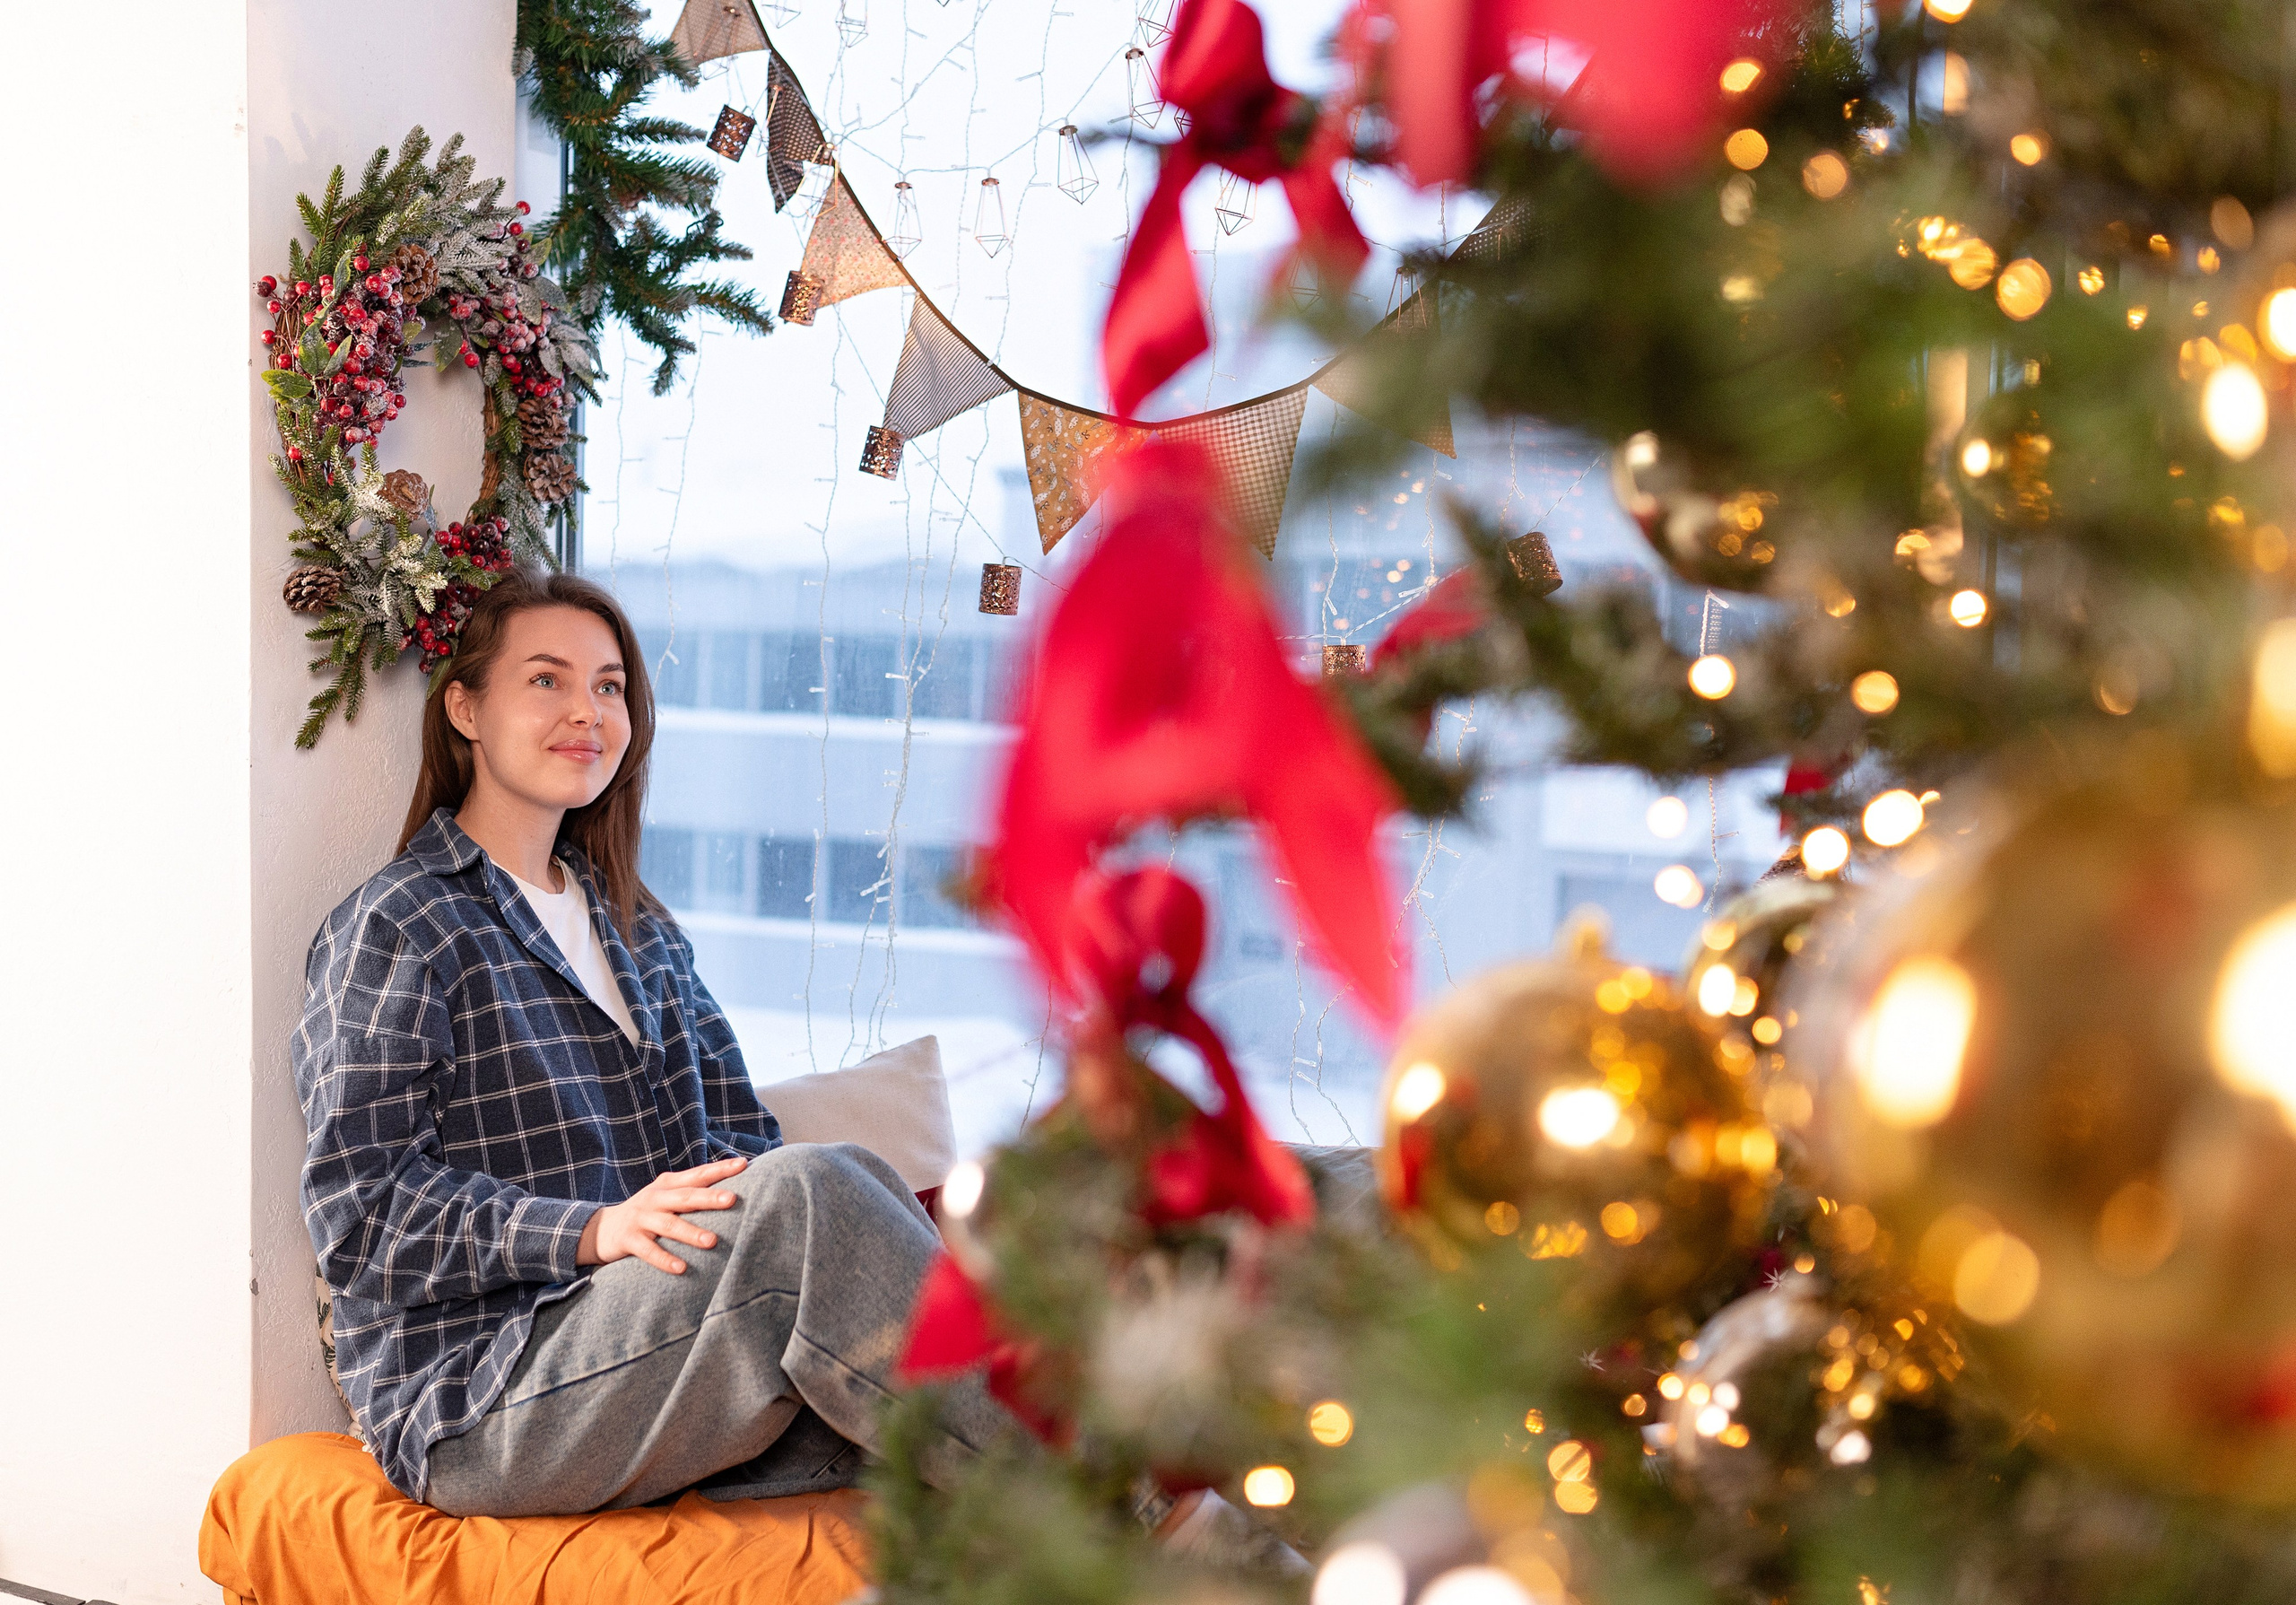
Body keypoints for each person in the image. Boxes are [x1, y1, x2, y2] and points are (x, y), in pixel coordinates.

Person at [292, 569, 1011, 1516]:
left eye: (609, 685)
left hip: (664, 1358)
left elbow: (740, 1154)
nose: (586, 710)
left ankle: (1096, 1487)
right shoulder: (402, 923)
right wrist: (595, 1229)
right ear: (464, 708)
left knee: (861, 1202)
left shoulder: (642, 932)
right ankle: (1133, 1529)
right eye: (546, 680)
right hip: (480, 1394)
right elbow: (363, 1216)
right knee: (815, 1193)